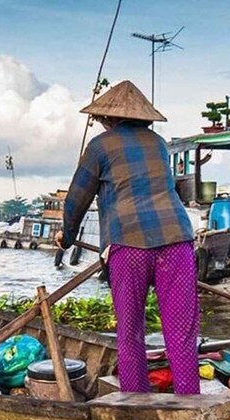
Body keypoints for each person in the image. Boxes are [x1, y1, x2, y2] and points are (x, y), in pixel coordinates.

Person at [55, 80, 199, 395]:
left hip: (129, 245)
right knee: (181, 332)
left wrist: (65, 238)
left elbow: (76, 198)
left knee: (130, 331)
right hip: (177, 241)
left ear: (108, 119)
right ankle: (190, 401)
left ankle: (136, 400)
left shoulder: (99, 146)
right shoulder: (159, 144)